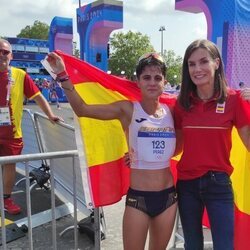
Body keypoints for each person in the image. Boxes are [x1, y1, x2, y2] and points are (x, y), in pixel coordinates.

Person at [46, 51, 178, 250]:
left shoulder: (173, 111)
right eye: (146, 77)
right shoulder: (127, 109)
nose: (152, 82)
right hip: (138, 199)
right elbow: (82, 109)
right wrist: (63, 76)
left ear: (164, 82)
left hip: (168, 198)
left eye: (157, 78)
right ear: (138, 81)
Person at [174, 39, 250, 250]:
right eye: (191, 64)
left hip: (219, 185)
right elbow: (176, 148)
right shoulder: (181, 104)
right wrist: (141, 152)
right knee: (193, 245)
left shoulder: (234, 100)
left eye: (203, 62)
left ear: (216, 63)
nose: (197, 69)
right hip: (187, 185)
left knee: (225, 246)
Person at [0, 39, 63, 215]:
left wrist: (50, 115)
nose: (2, 55)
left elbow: (38, 97)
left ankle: (6, 199)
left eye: (5, 52)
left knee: (10, 167)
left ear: (11, 55)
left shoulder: (20, 75)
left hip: (12, 134)